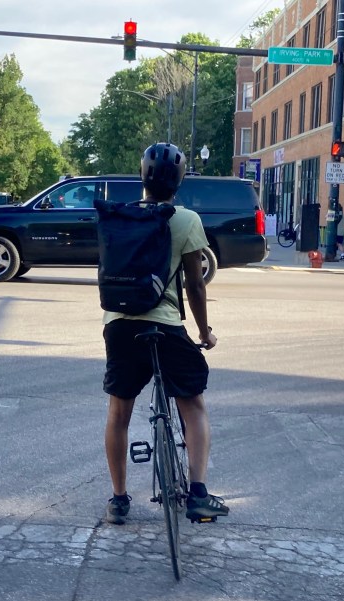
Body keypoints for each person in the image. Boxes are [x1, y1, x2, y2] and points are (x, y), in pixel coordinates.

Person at [102, 142, 229, 525]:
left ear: (142, 176)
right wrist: (204, 331)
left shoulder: (119, 217)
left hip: (120, 325)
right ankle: (198, 494)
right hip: (165, 326)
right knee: (192, 406)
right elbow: (195, 284)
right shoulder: (186, 219)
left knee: (119, 412)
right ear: (180, 180)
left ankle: (119, 500)